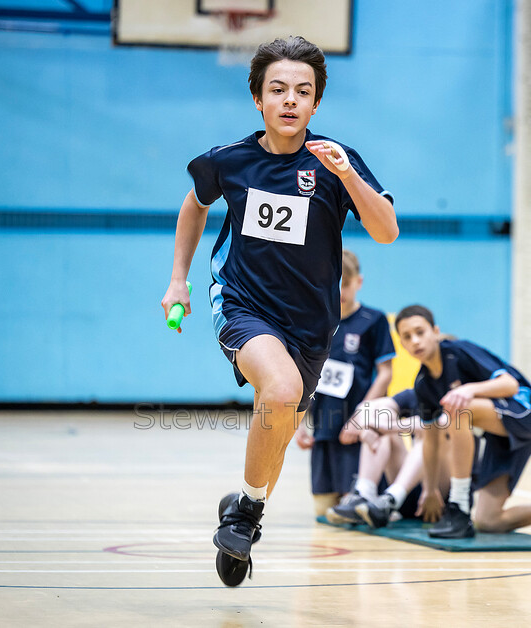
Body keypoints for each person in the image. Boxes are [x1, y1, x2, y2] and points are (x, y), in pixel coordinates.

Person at [160, 36, 398, 587]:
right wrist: (178, 280)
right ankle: (246, 515)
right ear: (257, 98)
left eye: (303, 91)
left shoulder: (335, 161)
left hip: (313, 325)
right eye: (278, 89)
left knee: (278, 430)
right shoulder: (230, 161)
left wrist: (348, 177)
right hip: (243, 304)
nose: (290, 100)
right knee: (283, 392)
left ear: (316, 104)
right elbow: (194, 206)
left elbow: (386, 231)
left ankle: (247, 504)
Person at [392, 305, 531, 541]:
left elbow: (509, 384)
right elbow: (430, 440)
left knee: (456, 410)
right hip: (498, 433)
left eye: (420, 332)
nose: (415, 341)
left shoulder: (459, 352)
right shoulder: (423, 384)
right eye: (407, 337)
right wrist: (429, 490)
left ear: (436, 331)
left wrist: (470, 389)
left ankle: (458, 507)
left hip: (525, 412)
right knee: (488, 521)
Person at [294, 250, 395, 516]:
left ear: (358, 282)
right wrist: (297, 422)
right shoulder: (314, 321)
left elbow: (385, 373)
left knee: (352, 511)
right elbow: (302, 373)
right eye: (333, 284)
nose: (340, 291)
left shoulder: (373, 320)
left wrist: (362, 414)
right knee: (323, 511)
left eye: (345, 284)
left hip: (356, 424)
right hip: (324, 424)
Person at [326, 388, 449, 527]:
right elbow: (366, 407)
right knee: (380, 414)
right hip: (406, 493)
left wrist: (385, 426)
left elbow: (442, 422)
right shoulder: (422, 388)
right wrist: (367, 426)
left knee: (430, 433)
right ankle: (365, 494)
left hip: (440, 494)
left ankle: (391, 499)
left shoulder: (458, 394)